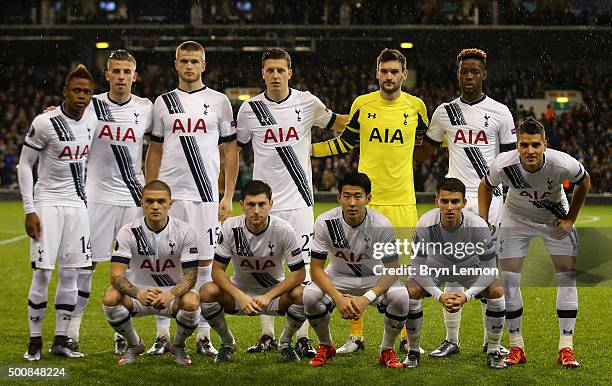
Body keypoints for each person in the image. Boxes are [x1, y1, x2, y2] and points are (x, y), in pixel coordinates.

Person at [311, 48, 428, 354]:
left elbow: (432, 140)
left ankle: (403, 335)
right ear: (377, 73)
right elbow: (345, 142)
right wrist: (308, 150)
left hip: (403, 201)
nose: (389, 77)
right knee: (359, 269)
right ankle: (356, 334)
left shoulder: (416, 107)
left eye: (394, 71)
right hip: (366, 202)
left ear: (404, 74)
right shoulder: (363, 105)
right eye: (384, 71)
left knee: (400, 272)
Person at [235, 48, 347, 357]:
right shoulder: (250, 109)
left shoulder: (307, 102)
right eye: (269, 70)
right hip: (263, 205)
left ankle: (302, 338)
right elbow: (235, 147)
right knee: (265, 269)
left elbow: (338, 122)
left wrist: (376, 114)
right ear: (263, 73)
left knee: (306, 272)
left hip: (299, 202)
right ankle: (268, 335)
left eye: (279, 70)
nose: (274, 76)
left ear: (290, 72)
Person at [414, 48, 516, 357]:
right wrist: (399, 140)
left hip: (489, 200)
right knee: (452, 266)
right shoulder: (444, 112)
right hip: (454, 200)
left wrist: (508, 202)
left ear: (484, 74)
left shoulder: (500, 112)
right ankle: (452, 340)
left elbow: (509, 162)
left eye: (474, 71)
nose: (468, 76)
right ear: (457, 74)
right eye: (463, 71)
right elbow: (425, 151)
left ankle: (491, 342)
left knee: (487, 271)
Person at [145, 40, 239, 356]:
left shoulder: (220, 102)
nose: (189, 66)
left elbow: (229, 151)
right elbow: (155, 150)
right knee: (163, 264)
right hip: (170, 198)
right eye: (183, 61)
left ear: (203, 65)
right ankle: (161, 335)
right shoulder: (163, 102)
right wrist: (151, 192)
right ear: (176, 64)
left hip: (204, 197)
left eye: (194, 61)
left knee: (203, 267)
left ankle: (202, 335)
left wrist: (227, 195)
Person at [479, 117, 590, 368]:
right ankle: (517, 346)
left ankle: (566, 348)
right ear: (517, 145)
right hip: (516, 219)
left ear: (545, 145)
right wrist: (484, 221)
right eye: (524, 145)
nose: (530, 151)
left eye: (535, 145)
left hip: (554, 220)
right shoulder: (503, 164)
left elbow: (584, 181)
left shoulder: (561, 162)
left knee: (567, 278)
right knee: (509, 280)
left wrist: (571, 218)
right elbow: (485, 186)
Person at [64, 50, 153, 355]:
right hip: (96, 198)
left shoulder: (146, 107)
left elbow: (158, 147)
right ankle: (71, 333)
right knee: (84, 266)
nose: (121, 77)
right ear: (107, 75)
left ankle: (124, 331)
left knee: (132, 270)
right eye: (115, 71)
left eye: (127, 72)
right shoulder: (92, 104)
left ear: (135, 76)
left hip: (132, 199)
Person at [19, 64, 98, 361]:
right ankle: (34, 342)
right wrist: (30, 209)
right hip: (48, 204)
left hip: (78, 206)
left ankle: (61, 342)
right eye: (76, 90)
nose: (81, 96)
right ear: (65, 91)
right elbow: (24, 164)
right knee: (42, 273)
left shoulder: (91, 120)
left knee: (72, 275)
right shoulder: (45, 122)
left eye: (87, 92)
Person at [304, 172, 409, 368]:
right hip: (338, 276)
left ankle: (386, 350)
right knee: (309, 296)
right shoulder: (325, 222)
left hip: (373, 277)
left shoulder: (381, 224)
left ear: (368, 199)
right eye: (347, 196)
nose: (352, 202)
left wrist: (366, 298)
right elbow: (316, 269)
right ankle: (326, 345)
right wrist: (337, 297)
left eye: (358, 196)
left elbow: (392, 270)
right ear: (338, 198)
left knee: (402, 298)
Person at [200, 180, 308, 363]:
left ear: (270, 205)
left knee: (305, 294)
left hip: (273, 296)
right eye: (251, 204)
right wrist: (240, 296)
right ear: (241, 205)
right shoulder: (230, 227)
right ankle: (227, 342)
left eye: (261, 204)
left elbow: (299, 274)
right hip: (239, 295)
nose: (256, 210)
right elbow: (217, 271)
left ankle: (285, 342)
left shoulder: (283, 229)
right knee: (207, 292)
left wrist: (268, 296)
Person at [403, 177, 506, 369]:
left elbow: (490, 269)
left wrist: (467, 296)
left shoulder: (478, 226)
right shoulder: (425, 223)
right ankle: (413, 351)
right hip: (438, 268)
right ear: (437, 202)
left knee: (496, 290)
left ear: (464, 203)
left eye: (455, 201)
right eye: (445, 201)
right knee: (411, 290)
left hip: (469, 268)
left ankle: (493, 350)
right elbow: (417, 267)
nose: (450, 207)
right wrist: (439, 295)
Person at [102, 180, 201, 366]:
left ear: (170, 203)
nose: (155, 206)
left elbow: (190, 276)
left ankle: (178, 345)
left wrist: (170, 294)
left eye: (161, 201)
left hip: (171, 297)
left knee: (192, 301)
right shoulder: (129, 231)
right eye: (149, 201)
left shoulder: (186, 231)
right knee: (110, 297)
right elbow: (115, 275)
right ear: (142, 202)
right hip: (137, 295)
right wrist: (138, 293)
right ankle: (134, 344)